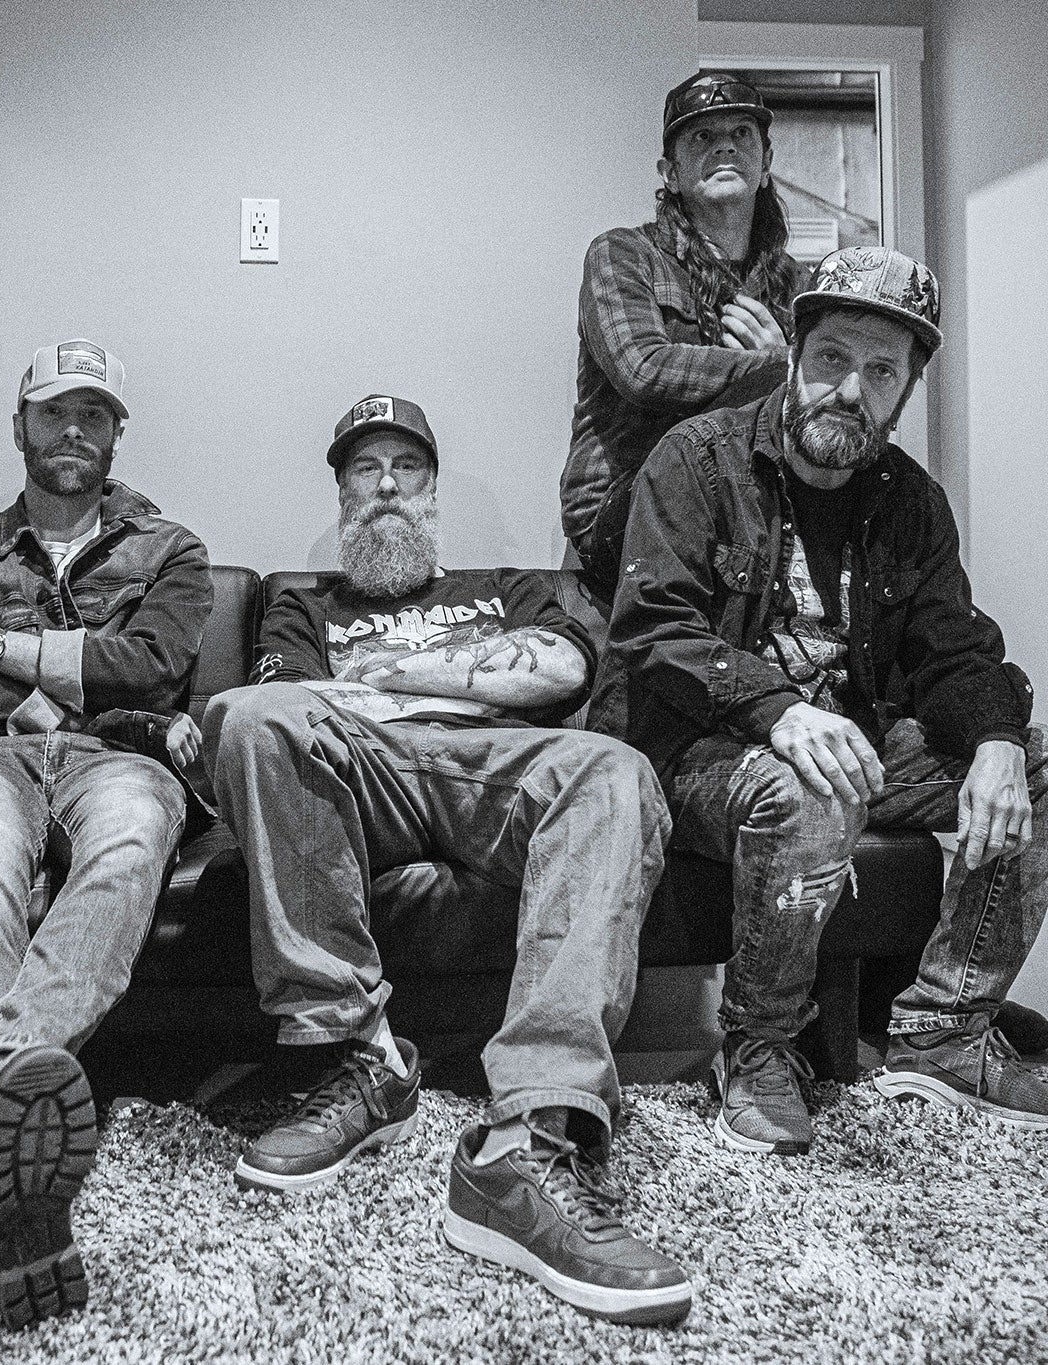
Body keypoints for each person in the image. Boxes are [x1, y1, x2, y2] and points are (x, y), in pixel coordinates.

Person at [204, 395, 694, 1326]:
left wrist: (386, 676)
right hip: (367, 774)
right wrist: (479, 678)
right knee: (250, 717)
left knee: (613, 770)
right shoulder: (303, 605)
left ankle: (531, 1132)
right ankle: (360, 1059)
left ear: (432, 491)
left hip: (497, 770)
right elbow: (290, 706)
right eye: (366, 469)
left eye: (407, 468)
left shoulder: (506, 585)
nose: (387, 485)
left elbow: (561, 670)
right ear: (343, 494)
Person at [606, 245, 1048, 1158]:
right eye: (832, 357)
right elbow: (653, 629)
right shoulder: (697, 460)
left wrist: (998, 737)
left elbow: (954, 647)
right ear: (794, 355)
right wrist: (778, 710)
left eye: (881, 371)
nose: (849, 389)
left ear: (905, 390)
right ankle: (759, 1045)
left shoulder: (910, 501)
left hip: (849, 745)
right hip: (696, 751)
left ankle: (945, 1029)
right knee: (811, 784)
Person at [0, 339, 209, 1328]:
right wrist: (71, 678)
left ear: (116, 434)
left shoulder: (171, 551)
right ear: (18, 426)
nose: (73, 429)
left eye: (93, 413)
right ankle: (11, 1132)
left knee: (129, 847)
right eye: (53, 411)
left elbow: (149, 666)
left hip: (116, 762)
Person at [563, 70, 807, 611]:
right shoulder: (623, 254)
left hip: (751, 521)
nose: (725, 145)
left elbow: (821, 406)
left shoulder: (799, 287)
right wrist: (780, 369)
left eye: (741, 133)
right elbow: (643, 369)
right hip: (621, 516)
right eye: (702, 136)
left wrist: (791, 374)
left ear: (766, 162)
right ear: (670, 173)